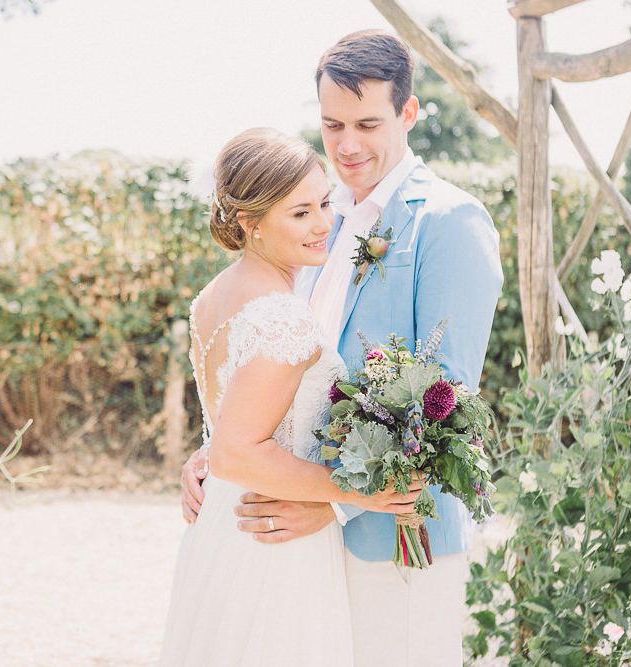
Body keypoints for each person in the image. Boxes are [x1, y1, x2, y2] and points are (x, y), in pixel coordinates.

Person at [182, 31, 503, 666]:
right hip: (304, 547)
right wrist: (219, 453)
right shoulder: (311, 226)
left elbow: (443, 403)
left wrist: (329, 502)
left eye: (367, 123)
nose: (347, 145)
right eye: (332, 125)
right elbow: (279, 373)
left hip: (395, 537)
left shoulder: (449, 223)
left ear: (409, 114)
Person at [159, 127, 422, 666]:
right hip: (274, 535)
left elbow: (226, 428)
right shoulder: (283, 317)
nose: (324, 223)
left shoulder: (212, 296)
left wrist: (207, 453)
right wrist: (361, 495)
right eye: (300, 214)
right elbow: (239, 450)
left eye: (323, 203)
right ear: (251, 223)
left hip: (223, 526)